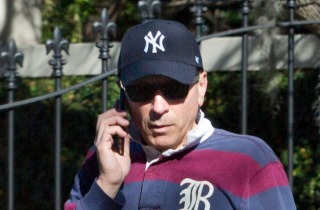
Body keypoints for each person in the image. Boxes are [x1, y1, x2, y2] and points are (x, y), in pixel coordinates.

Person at [64, 19, 296, 210]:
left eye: (174, 88)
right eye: (141, 91)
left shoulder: (248, 161)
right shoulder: (106, 156)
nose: (158, 106)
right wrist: (107, 186)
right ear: (123, 95)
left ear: (201, 86)